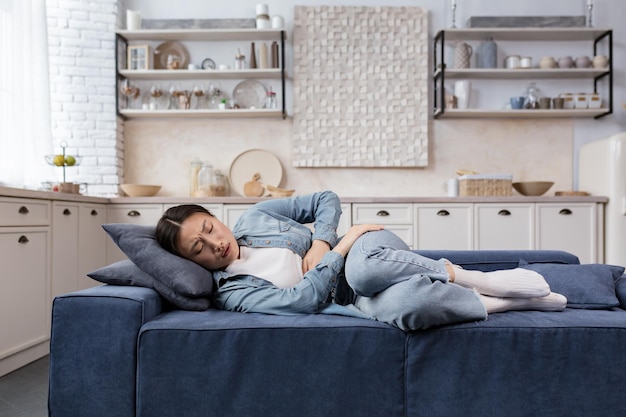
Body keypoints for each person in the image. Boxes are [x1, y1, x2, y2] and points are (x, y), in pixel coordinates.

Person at [155, 190, 566, 331]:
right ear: (192, 262)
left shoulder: (255, 217)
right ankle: (513, 300)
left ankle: (471, 277)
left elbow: (324, 199)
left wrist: (321, 242)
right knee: (407, 308)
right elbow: (299, 302)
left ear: (212, 217)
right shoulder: (233, 292)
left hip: (369, 252)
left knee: (368, 270)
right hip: (351, 299)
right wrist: (337, 247)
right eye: (198, 250)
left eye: (208, 229)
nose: (214, 245)